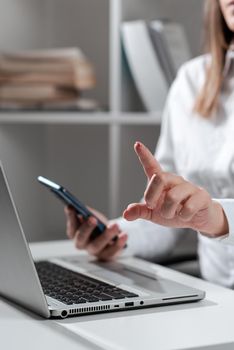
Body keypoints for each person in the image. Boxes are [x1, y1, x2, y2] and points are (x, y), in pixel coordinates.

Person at [65, 0, 234, 288]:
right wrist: (114, 236)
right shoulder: (192, 81)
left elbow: (203, 214)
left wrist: (218, 217)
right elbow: (167, 216)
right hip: (215, 301)